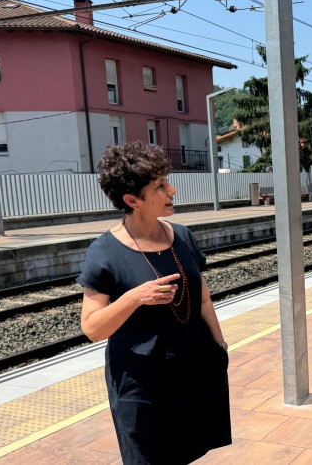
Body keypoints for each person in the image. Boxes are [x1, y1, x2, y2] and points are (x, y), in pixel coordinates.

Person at [78, 142, 231, 464]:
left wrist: (219, 346)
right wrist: (134, 298)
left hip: (192, 366)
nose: (171, 190)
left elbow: (201, 296)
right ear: (132, 200)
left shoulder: (182, 236)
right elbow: (92, 328)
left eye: (167, 180)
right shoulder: (104, 252)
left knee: (186, 449)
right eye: (160, 186)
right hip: (141, 384)